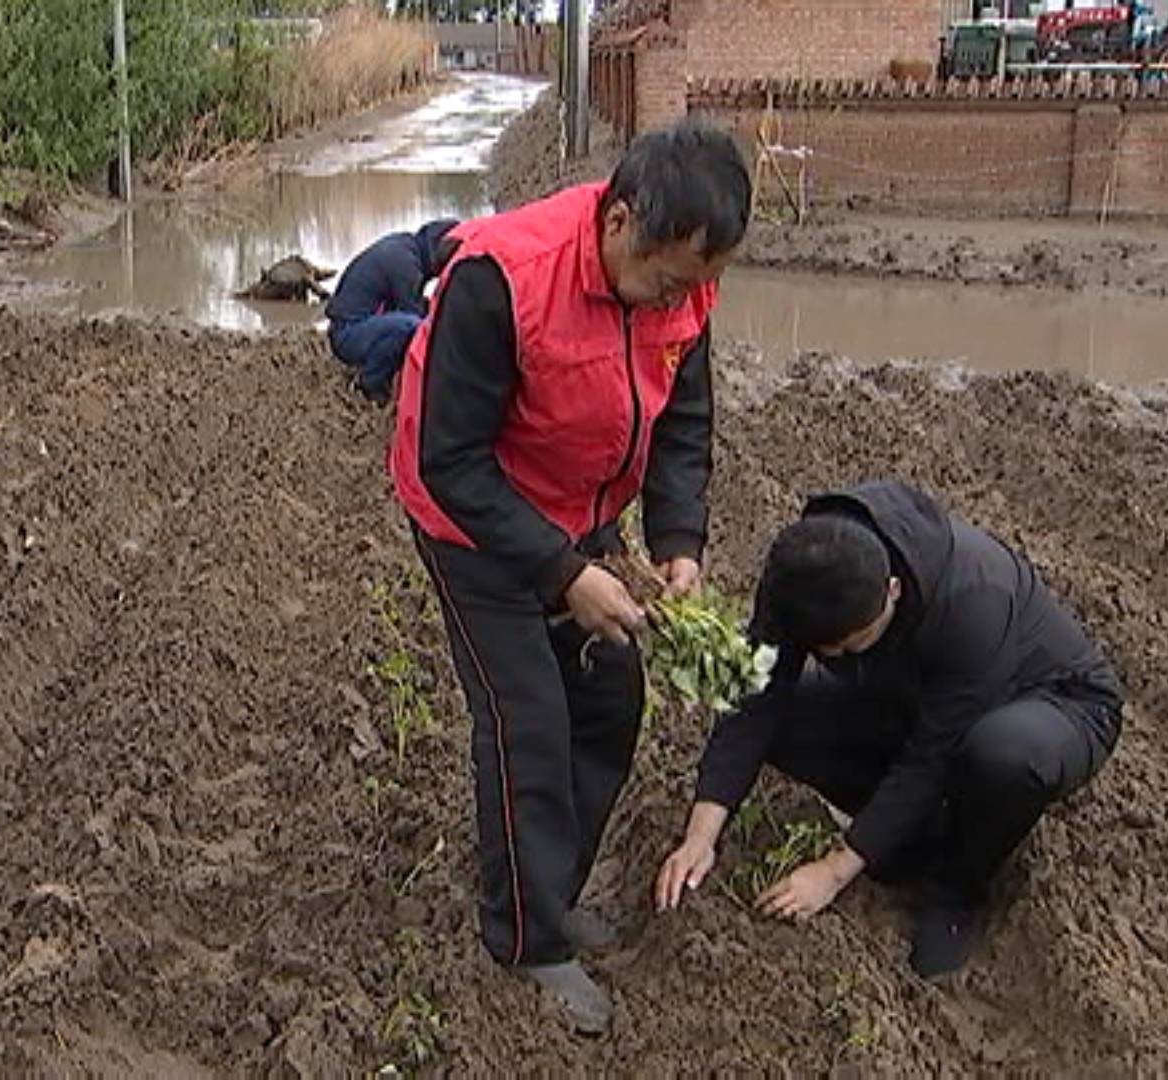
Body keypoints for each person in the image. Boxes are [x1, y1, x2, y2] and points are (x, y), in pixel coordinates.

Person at [389, 121, 750, 1035]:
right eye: (669, 278)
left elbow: (684, 421)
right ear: (620, 220)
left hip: (578, 516)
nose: (681, 299)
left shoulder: (683, 292)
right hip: (474, 524)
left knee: (608, 702)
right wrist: (561, 576)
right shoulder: (504, 279)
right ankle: (524, 940)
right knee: (527, 726)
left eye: (696, 284)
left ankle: (547, 890)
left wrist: (678, 540)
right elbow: (450, 461)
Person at [655, 481, 1122, 977]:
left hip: (1051, 703)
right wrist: (701, 834)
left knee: (1000, 755)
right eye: (828, 652)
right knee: (786, 718)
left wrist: (834, 871)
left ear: (893, 590)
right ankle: (909, 841)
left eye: (855, 644)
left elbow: (931, 755)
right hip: (915, 694)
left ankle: (957, 887)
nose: (841, 657)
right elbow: (755, 695)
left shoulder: (974, 600)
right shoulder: (799, 574)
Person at [325, 218, 459, 404]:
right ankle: (370, 383)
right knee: (411, 326)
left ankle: (380, 372)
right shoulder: (406, 265)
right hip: (347, 334)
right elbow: (422, 325)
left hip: (352, 327)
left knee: (412, 321)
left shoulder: (406, 249)